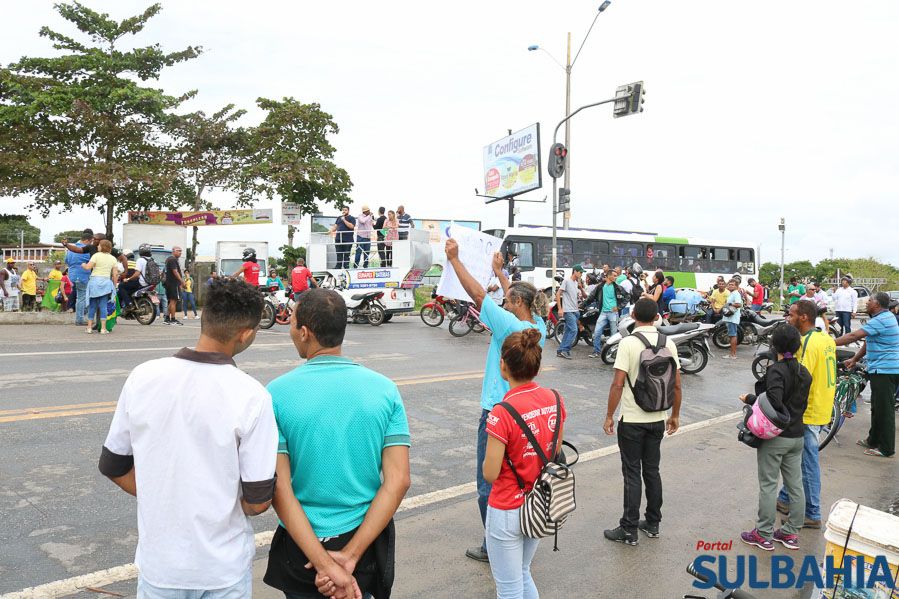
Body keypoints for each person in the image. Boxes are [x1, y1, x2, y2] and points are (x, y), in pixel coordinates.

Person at [98, 277, 277, 596]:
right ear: (246, 333)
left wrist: (163, 495)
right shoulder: (252, 396)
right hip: (222, 570)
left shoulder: (143, 377)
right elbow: (258, 501)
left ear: (205, 319)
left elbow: (113, 465)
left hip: (160, 568)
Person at [264, 289, 410, 598]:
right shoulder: (385, 390)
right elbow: (398, 481)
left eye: (292, 322)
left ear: (305, 332)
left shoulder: (275, 394)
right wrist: (349, 558)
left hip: (302, 548)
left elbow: (280, 488)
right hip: (365, 543)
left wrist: (323, 564)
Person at [443, 240, 547, 564]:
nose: (503, 300)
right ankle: (519, 533)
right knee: (519, 476)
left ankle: (494, 546)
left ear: (516, 303)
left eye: (507, 299)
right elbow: (512, 296)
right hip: (524, 410)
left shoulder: (508, 325)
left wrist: (455, 260)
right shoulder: (536, 327)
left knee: (488, 481)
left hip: (498, 412)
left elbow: (477, 295)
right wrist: (500, 273)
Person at [483, 329, 566, 598]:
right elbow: (555, 451)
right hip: (539, 502)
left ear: (503, 366)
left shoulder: (502, 412)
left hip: (507, 508)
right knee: (523, 571)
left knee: (509, 588)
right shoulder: (555, 399)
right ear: (536, 367)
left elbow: (490, 473)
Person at [602, 298, 682, 545]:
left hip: (632, 420)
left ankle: (628, 529)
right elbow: (677, 385)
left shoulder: (628, 343)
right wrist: (675, 415)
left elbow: (617, 384)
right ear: (657, 317)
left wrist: (609, 415)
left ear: (634, 315)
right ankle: (653, 523)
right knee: (652, 470)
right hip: (658, 418)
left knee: (632, 473)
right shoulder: (668, 342)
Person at [739, 325, 811, 551]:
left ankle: (763, 534)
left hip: (776, 438)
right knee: (795, 486)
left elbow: (774, 403)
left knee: (769, 485)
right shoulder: (804, 372)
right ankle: (791, 533)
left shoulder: (776, 371)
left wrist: (751, 399)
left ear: (774, 345)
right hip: (797, 436)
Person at [770, 300, 836, 530]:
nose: (788, 318)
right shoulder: (825, 338)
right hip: (823, 405)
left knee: (808, 463)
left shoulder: (806, 342)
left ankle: (812, 513)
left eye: (791, 315)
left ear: (804, 317)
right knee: (797, 459)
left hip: (809, 410)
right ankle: (786, 499)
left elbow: (799, 377)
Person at [835, 292, 899, 458]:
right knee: (877, 407)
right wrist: (855, 359)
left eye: (869, 300)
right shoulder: (882, 317)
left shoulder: (882, 319)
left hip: (886, 370)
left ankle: (886, 448)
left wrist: (827, 342)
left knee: (885, 410)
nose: (867, 303)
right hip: (880, 369)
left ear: (877, 304)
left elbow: (854, 336)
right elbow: (867, 341)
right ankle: (873, 440)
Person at [587, 269, 628, 359]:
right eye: (614, 275)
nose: (616, 277)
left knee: (614, 335)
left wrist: (619, 307)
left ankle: (613, 354)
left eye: (616, 276)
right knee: (597, 333)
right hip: (603, 313)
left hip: (613, 313)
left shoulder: (618, 287)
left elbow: (627, 296)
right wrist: (582, 305)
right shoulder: (600, 286)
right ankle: (596, 351)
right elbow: (591, 297)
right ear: (609, 276)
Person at [82, 239, 119, 334]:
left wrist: (83, 264)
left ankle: (89, 328)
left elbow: (88, 267)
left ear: (102, 246)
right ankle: (103, 328)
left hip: (94, 282)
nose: (97, 246)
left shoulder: (96, 256)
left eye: (99, 245)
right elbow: (115, 275)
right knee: (103, 306)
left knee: (92, 306)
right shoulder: (113, 258)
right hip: (106, 283)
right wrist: (114, 286)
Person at [556, 265, 584, 360]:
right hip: (568, 311)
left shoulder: (576, 283)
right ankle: (565, 350)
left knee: (568, 331)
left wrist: (580, 288)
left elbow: (577, 297)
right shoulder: (566, 281)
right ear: (575, 271)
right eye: (580, 272)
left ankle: (560, 350)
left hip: (575, 311)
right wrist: (560, 309)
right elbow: (558, 294)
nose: (581, 274)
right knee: (574, 330)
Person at [164, 247, 185, 326]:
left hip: (169, 283)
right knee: (173, 301)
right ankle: (173, 319)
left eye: (181, 251)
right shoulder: (173, 259)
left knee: (171, 301)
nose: (180, 252)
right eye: (178, 251)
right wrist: (182, 281)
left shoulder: (169, 259)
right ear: (173, 251)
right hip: (173, 283)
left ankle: (167, 318)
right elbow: (175, 271)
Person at [723, 278, 743, 359]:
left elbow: (739, 304)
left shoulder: (736, 294)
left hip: (732, 318)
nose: (730, 286)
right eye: (729, 284)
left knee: (733, 335)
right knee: (731, 335)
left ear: (736, 286)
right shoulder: (732, 293)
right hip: (730, 318)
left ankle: (733, 354)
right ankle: (731, 354)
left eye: (732, 285)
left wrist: (730, 304)